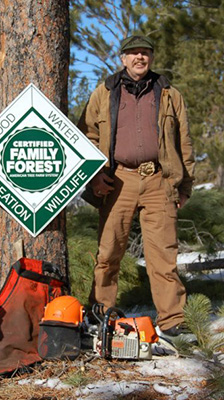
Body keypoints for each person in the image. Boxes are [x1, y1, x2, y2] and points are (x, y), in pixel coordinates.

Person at [78, 35, 195, 338]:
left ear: (152, 57)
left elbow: (185, 143)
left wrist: (184, 186)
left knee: (163, 257)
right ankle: (99, 316)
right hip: (119, 180)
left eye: (145, 53)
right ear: (122, 58)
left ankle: (172, 321)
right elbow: (86, 136)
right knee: (108, 253)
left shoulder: (169, 93)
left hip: (159, 180)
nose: (139, 58)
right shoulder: (104, 92)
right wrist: (94, 175)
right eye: (133, 53)